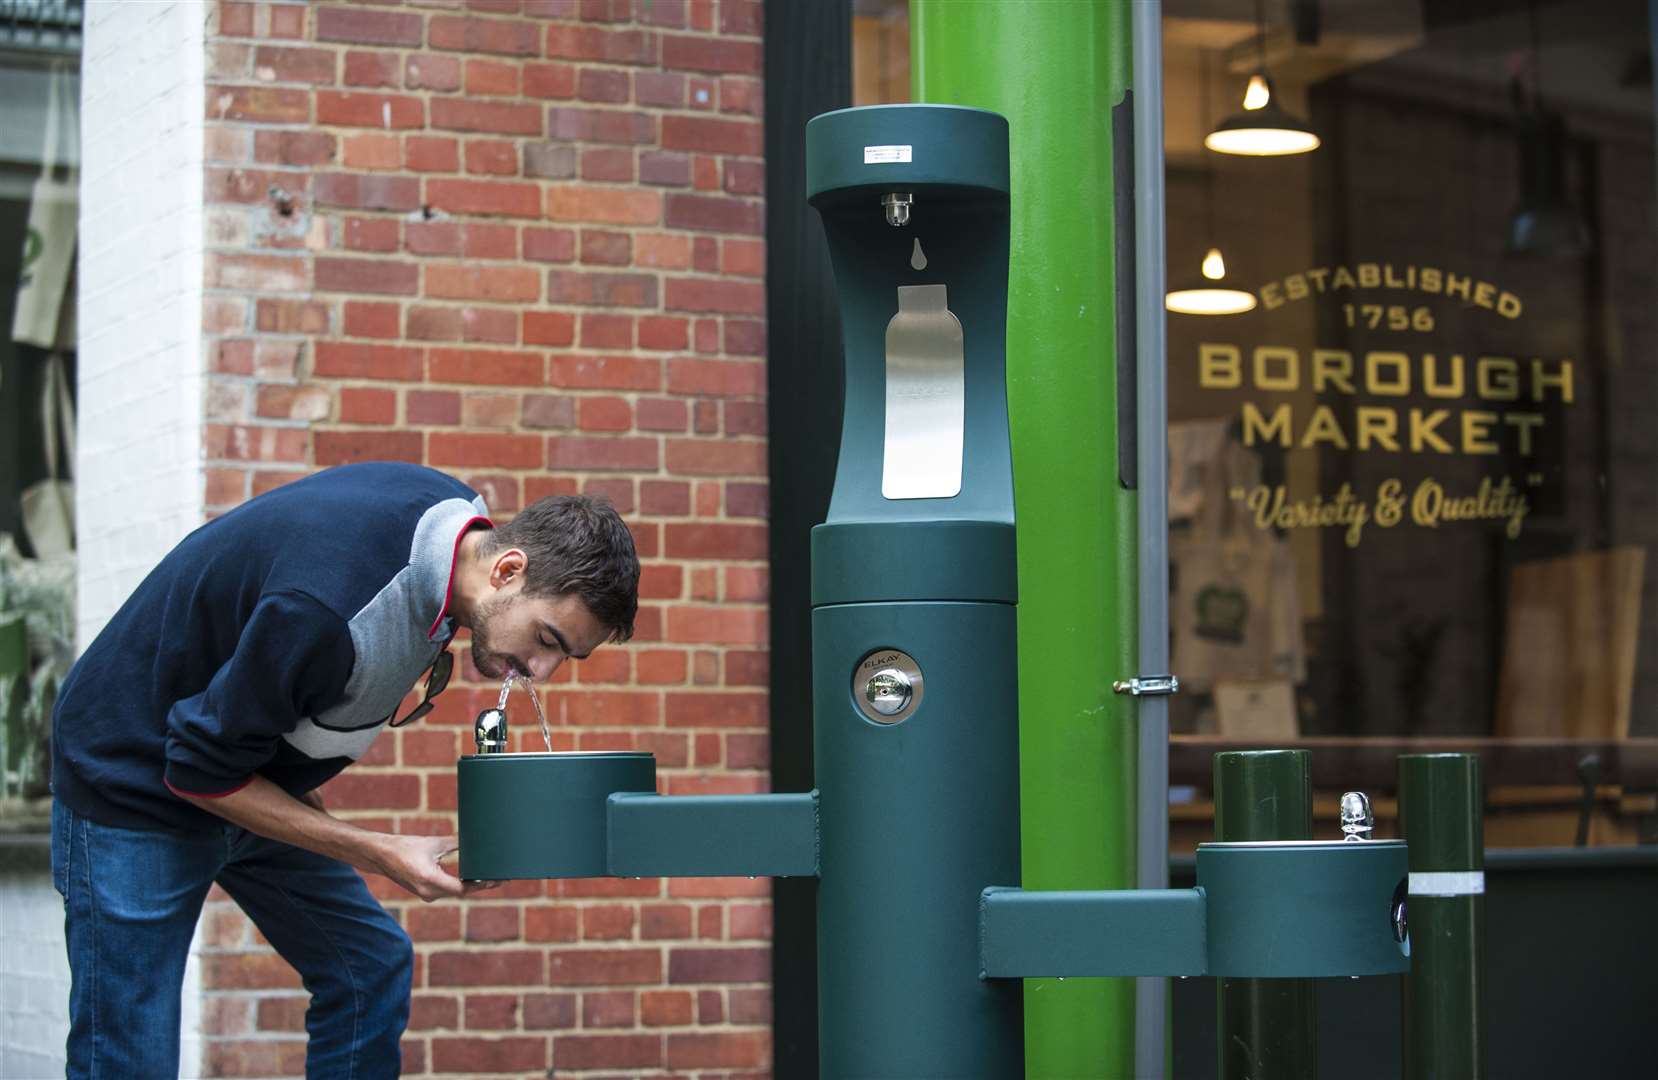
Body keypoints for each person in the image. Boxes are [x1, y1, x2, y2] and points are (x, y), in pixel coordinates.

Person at [49, 461, 640, 1078]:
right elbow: (199, 772)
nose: (542, 671)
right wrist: (380, 850)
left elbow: (249, 731)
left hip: (237, 768)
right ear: (507, 569)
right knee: (131, 1051)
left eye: (564, 655)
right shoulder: (326, 606)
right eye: (547, 639)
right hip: (132, 779)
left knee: (369, 967)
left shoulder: (452, 532)